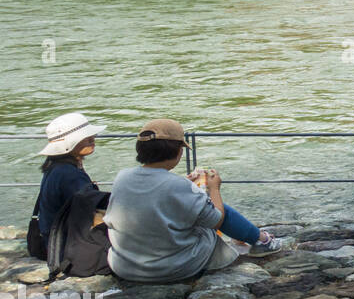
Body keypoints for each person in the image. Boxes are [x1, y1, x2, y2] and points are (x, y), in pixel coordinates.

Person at [103, 119, 284, 283]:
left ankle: (253, 239)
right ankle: (262, 241)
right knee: (216, 209)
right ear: (177, 151)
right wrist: (214, 189)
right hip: (171, 268)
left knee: (196, 208)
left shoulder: (122, 177)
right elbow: (216, 221)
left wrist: (189, 188)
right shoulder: (179, 185)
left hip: (125, 266)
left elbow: (152, 198)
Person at [33, 113, 105, 255]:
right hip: (65, 249)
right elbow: (91, 216)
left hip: (53, 242)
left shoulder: (56, 168)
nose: (92, 138)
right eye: (85, 137)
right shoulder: (70, 175)